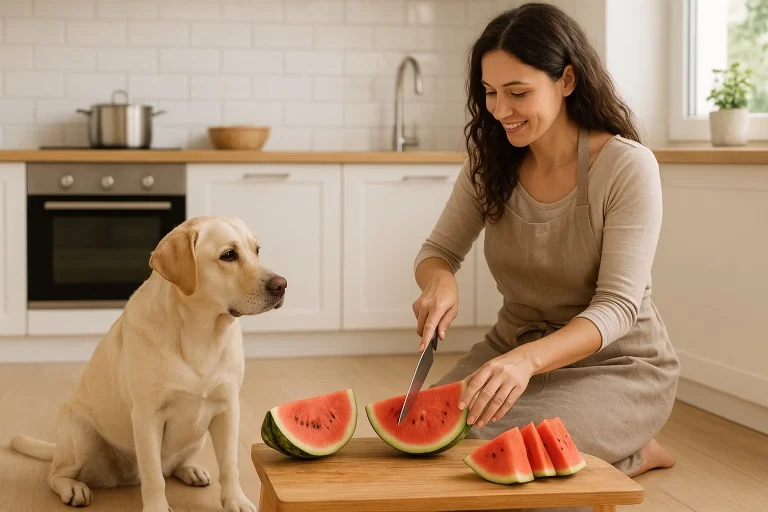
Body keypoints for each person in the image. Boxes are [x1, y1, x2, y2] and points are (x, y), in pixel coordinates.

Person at [411, 2, 680, 485]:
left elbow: (618, 306)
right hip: (513, 349)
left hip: (617, 364)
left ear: (567, 80)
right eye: (490, 92)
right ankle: (608, 449)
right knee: (427, 436)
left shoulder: (626, 166)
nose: (500, 110)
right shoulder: (489, 164)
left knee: (495, 451)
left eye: (518, 92)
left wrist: (527, 361)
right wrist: (440, 281)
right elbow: (438, 252)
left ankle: (631, 450)